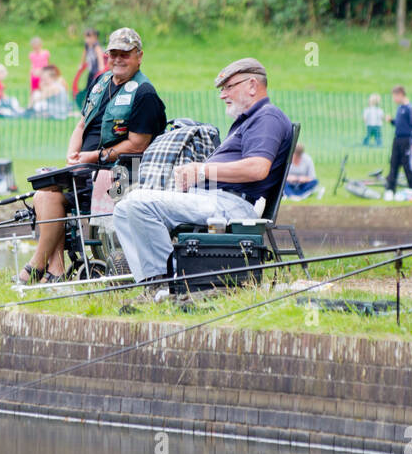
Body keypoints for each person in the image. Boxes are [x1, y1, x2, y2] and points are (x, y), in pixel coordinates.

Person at [114, 56, 294, 286]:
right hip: (214, 199)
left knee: (139, 202)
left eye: (229, 87)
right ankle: (153, 280)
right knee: (122, 209)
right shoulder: (249, 120)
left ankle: (166, 282)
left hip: (232, 204)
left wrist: (203, 170)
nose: (222, 95)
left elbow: (258, 168)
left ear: (252, 85)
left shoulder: (266, 117)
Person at [20, 27, 166, 284]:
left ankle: (36, 265)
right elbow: (80, 124)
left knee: (51, 191)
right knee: (44, 188)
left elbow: (137, 146)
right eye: (113, 54)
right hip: (86, 169)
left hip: (123, 173)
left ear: (139, 56)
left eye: (125, 54)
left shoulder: (145, 93)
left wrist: (92, 157)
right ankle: (55, 270)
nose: (118, 59)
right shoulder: (100, 82)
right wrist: (72, 156)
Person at [384, 85, 412, 197]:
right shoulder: (399, 108)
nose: (394, 99)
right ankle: (390, 189)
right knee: (393, 163)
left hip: (407, 141)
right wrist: (391, 121)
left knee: (408, 165)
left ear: (400, 95)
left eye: (394, 96)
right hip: (397, 139)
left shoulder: (410, 108)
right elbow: (400, 125)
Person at [73, 28, 107, 107]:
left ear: (94, 37)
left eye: (89, 37)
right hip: (91, 70)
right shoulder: (87, 46)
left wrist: (101, 67)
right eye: (86, 37)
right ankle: (86, 101)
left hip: (96, 70)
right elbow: (84, 55)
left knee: (95, 86)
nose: (87, 40)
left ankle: (95, 101)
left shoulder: (96, 46)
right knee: (88, 86)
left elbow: (100, 56)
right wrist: (81, 64)